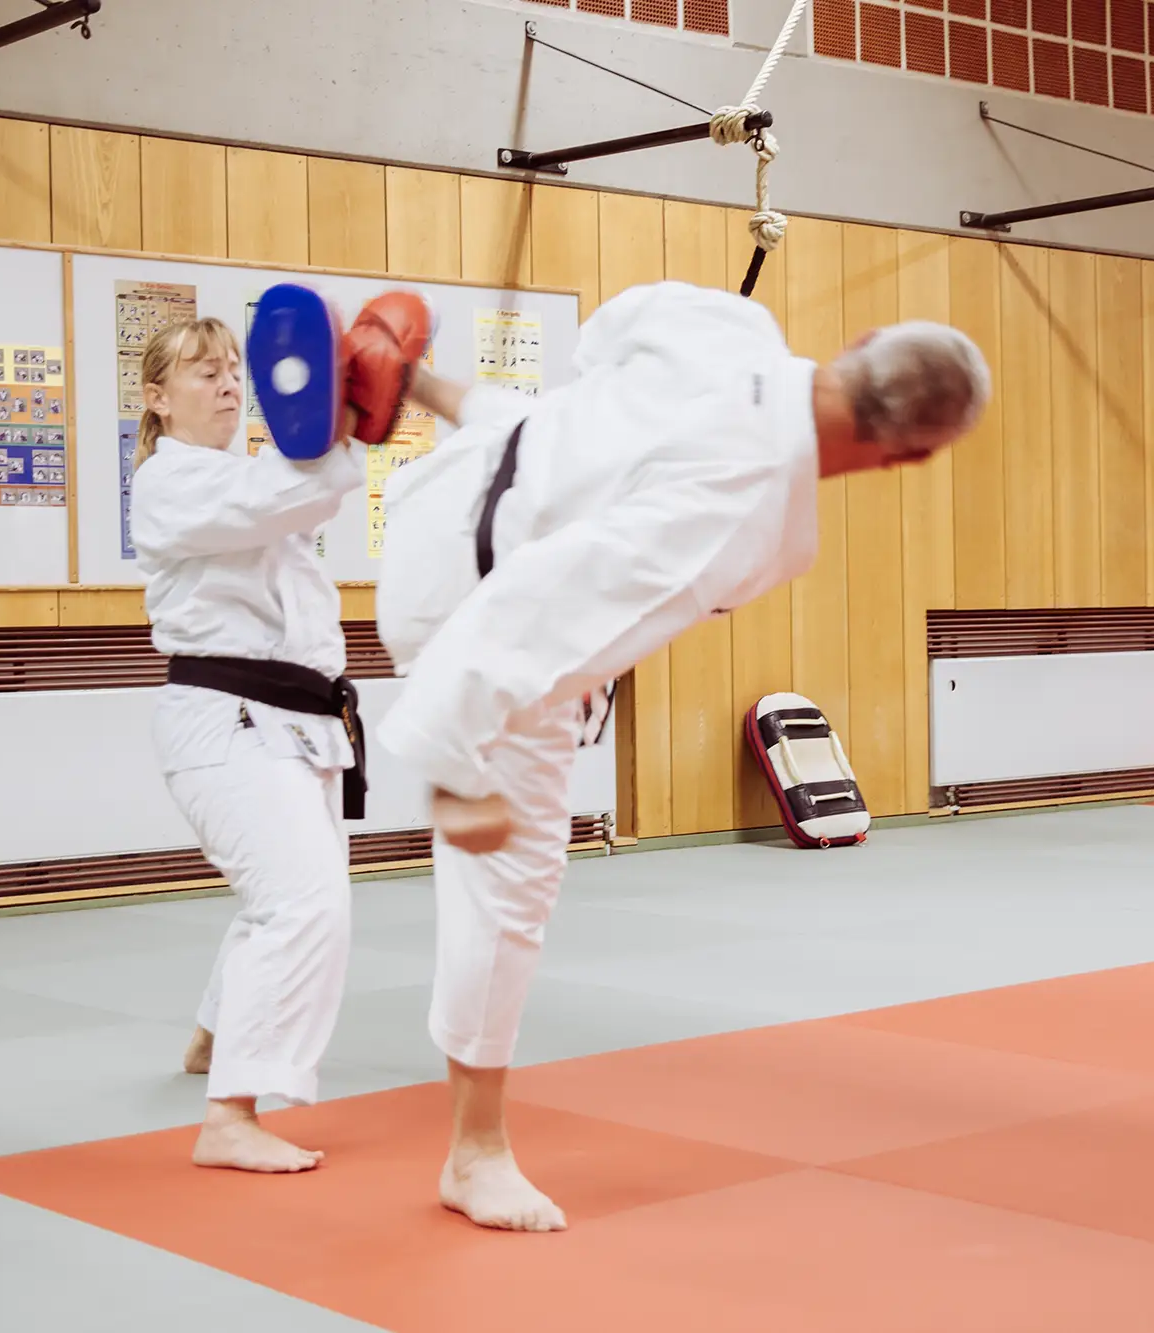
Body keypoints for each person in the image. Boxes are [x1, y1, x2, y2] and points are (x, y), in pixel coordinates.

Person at [370, 279, 991, 1232]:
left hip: (443, 496)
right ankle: (475, 1151)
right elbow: (534, 605)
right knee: (513, 883)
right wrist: (453, 766)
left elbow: (582, 398)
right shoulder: (740, 518)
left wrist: (417, 384)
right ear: (904, 459)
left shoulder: (727, 322)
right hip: (464, 612)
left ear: (858, 341)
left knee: (565, 462)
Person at [128, 315, 367, 1174]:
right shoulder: (170, 481)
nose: (230, 384)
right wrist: (346, 424)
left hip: (290, 725)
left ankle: (210, 1038)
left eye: (235, 370)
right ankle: (230, 1114)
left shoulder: (244, 474)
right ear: (157, 398)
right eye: (204, 373)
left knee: (289, 892)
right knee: (302, 904)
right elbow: (292, 491)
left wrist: (342, 417)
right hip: (226, 721)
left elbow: (289, 493)